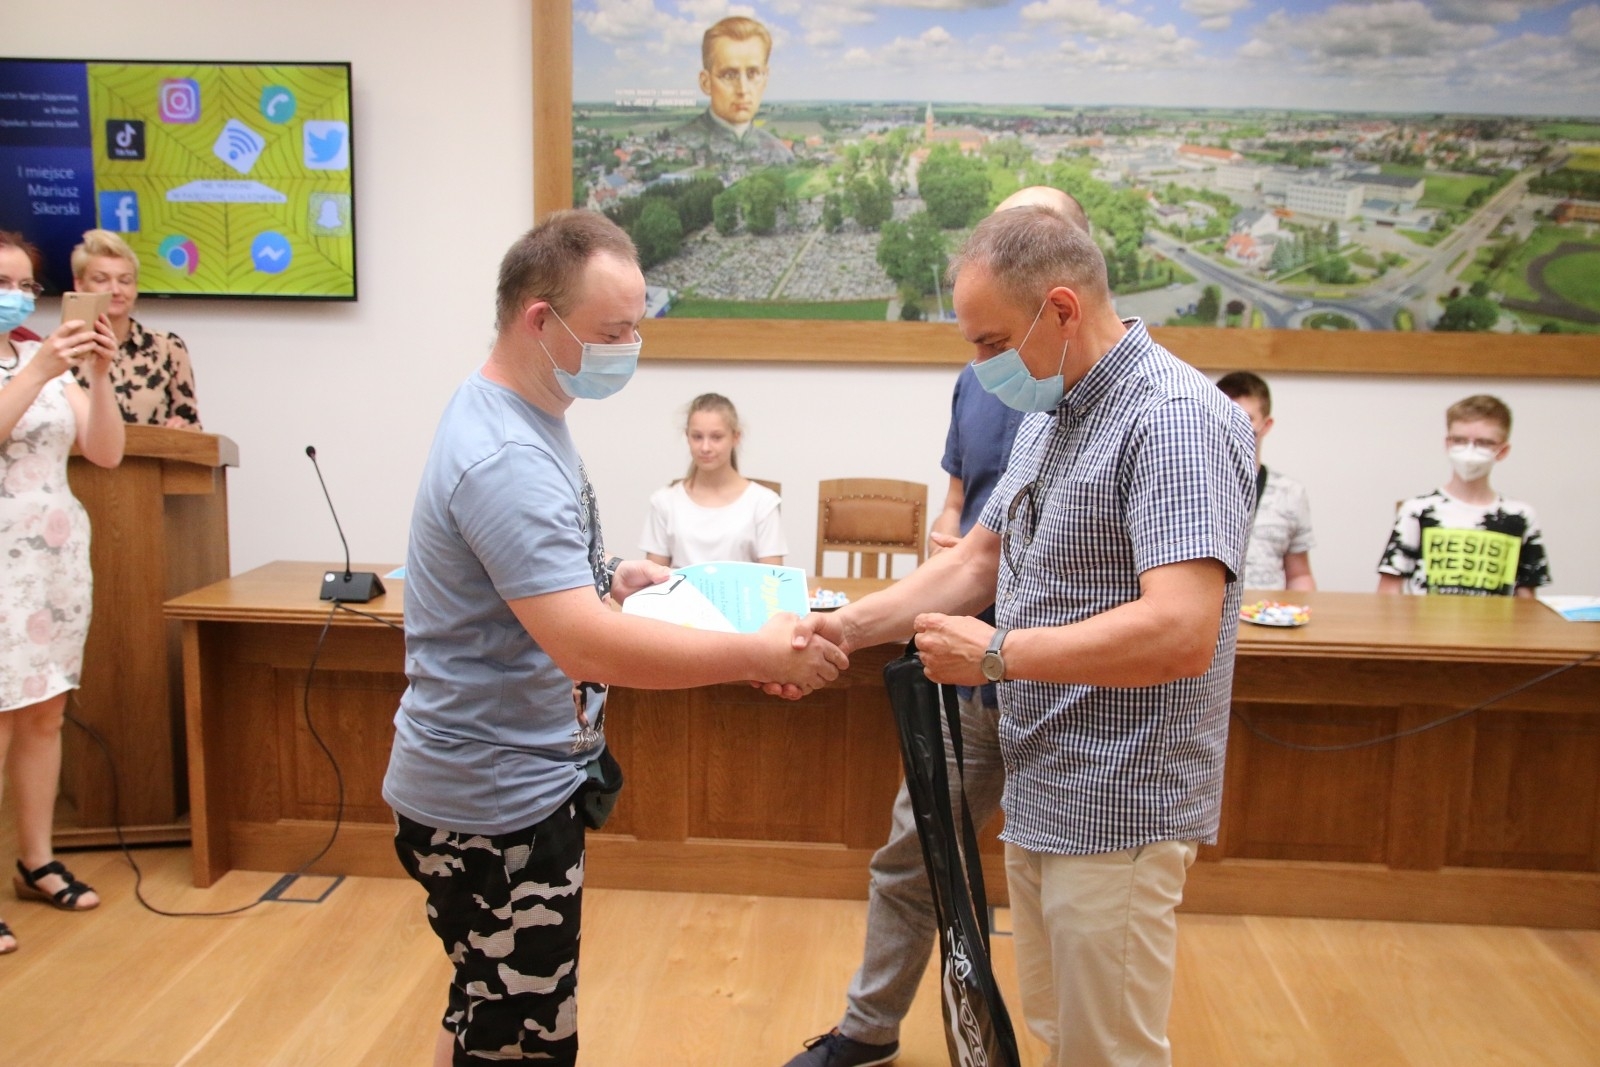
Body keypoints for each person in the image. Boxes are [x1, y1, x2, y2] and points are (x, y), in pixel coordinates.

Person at [787, 204, 1254, 1067]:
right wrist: (840, 629)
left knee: (1108, 1049)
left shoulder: (1175, 419)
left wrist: (999, 654)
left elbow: (1183, 629)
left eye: (991, 342)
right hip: (1046, 781)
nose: (981, 366)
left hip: (1120, 792)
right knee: (1059, 1028)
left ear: (1062, 309)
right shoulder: (1054, 411)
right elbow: (978, 560)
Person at [381, 210, 846, 1066]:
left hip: (505, 783)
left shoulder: (523, 410)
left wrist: (605, 576)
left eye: (637, 325)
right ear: (540, 319)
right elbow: (587, 648)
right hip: (494, 804)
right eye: (612, 331)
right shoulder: (506, 455)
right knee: (523, 1036)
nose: (631, 347)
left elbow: (533, 587)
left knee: (485, 1006)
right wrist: (753, 652)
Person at [785, 187, 1087, 1067]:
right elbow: (971, 534)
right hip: (964, 668)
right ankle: (868, 1027)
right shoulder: (988, 381)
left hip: (1069, 694)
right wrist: (842, 626)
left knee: (1065, 904)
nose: (985, 355)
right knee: (914, 856)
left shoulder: (1129, 406)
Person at [0, 231, 126, 957]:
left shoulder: (44, 362)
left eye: (25, 284)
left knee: (44, 713)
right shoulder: (39, 363)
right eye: (3, 281)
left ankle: (36, 859)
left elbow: (105, 451)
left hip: (53, 560)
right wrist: (44, 365)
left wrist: (97, 377)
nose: (17, 295)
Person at [1377, 393, 1549, 598]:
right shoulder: (1417, 510)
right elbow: (1388, 591)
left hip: (1496, 619)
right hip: (1427, 618)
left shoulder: (1520, 515)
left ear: (1502, 451)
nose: (1469, 450)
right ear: (1448, 444)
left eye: (1484, 442)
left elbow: (1526, 597)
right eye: (1459, 440)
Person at [69, 229, 202, 429]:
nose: (115, 290)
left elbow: (192, 424)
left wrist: (183, 428)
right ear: (79, 284)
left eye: (125, 281)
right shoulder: (61, 349)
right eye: (101, 279)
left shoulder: (167, 347)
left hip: (153, 450)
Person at [641, 392, 786, 567]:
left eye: (716, 437)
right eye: (697, 437)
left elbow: (772, 577)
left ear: (735, 437)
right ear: (687, 436)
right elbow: (653, 575)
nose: (705, 447)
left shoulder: (763, 503)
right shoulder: (664, 502)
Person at [1215, 371, 1316, 591]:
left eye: (1246, 418)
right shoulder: (1193, 489)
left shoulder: (1290, 492)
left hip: (1270, 610)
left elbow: (1299, 575)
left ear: (1266, 425)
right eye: (1227, 416)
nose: (1235, 427)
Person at [673, 16, 793, 165]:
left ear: (765, 78)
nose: (743, 89)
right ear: (706, 82)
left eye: (752, 74)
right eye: (729, 75)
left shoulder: (782, 155)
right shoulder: (676, 145)